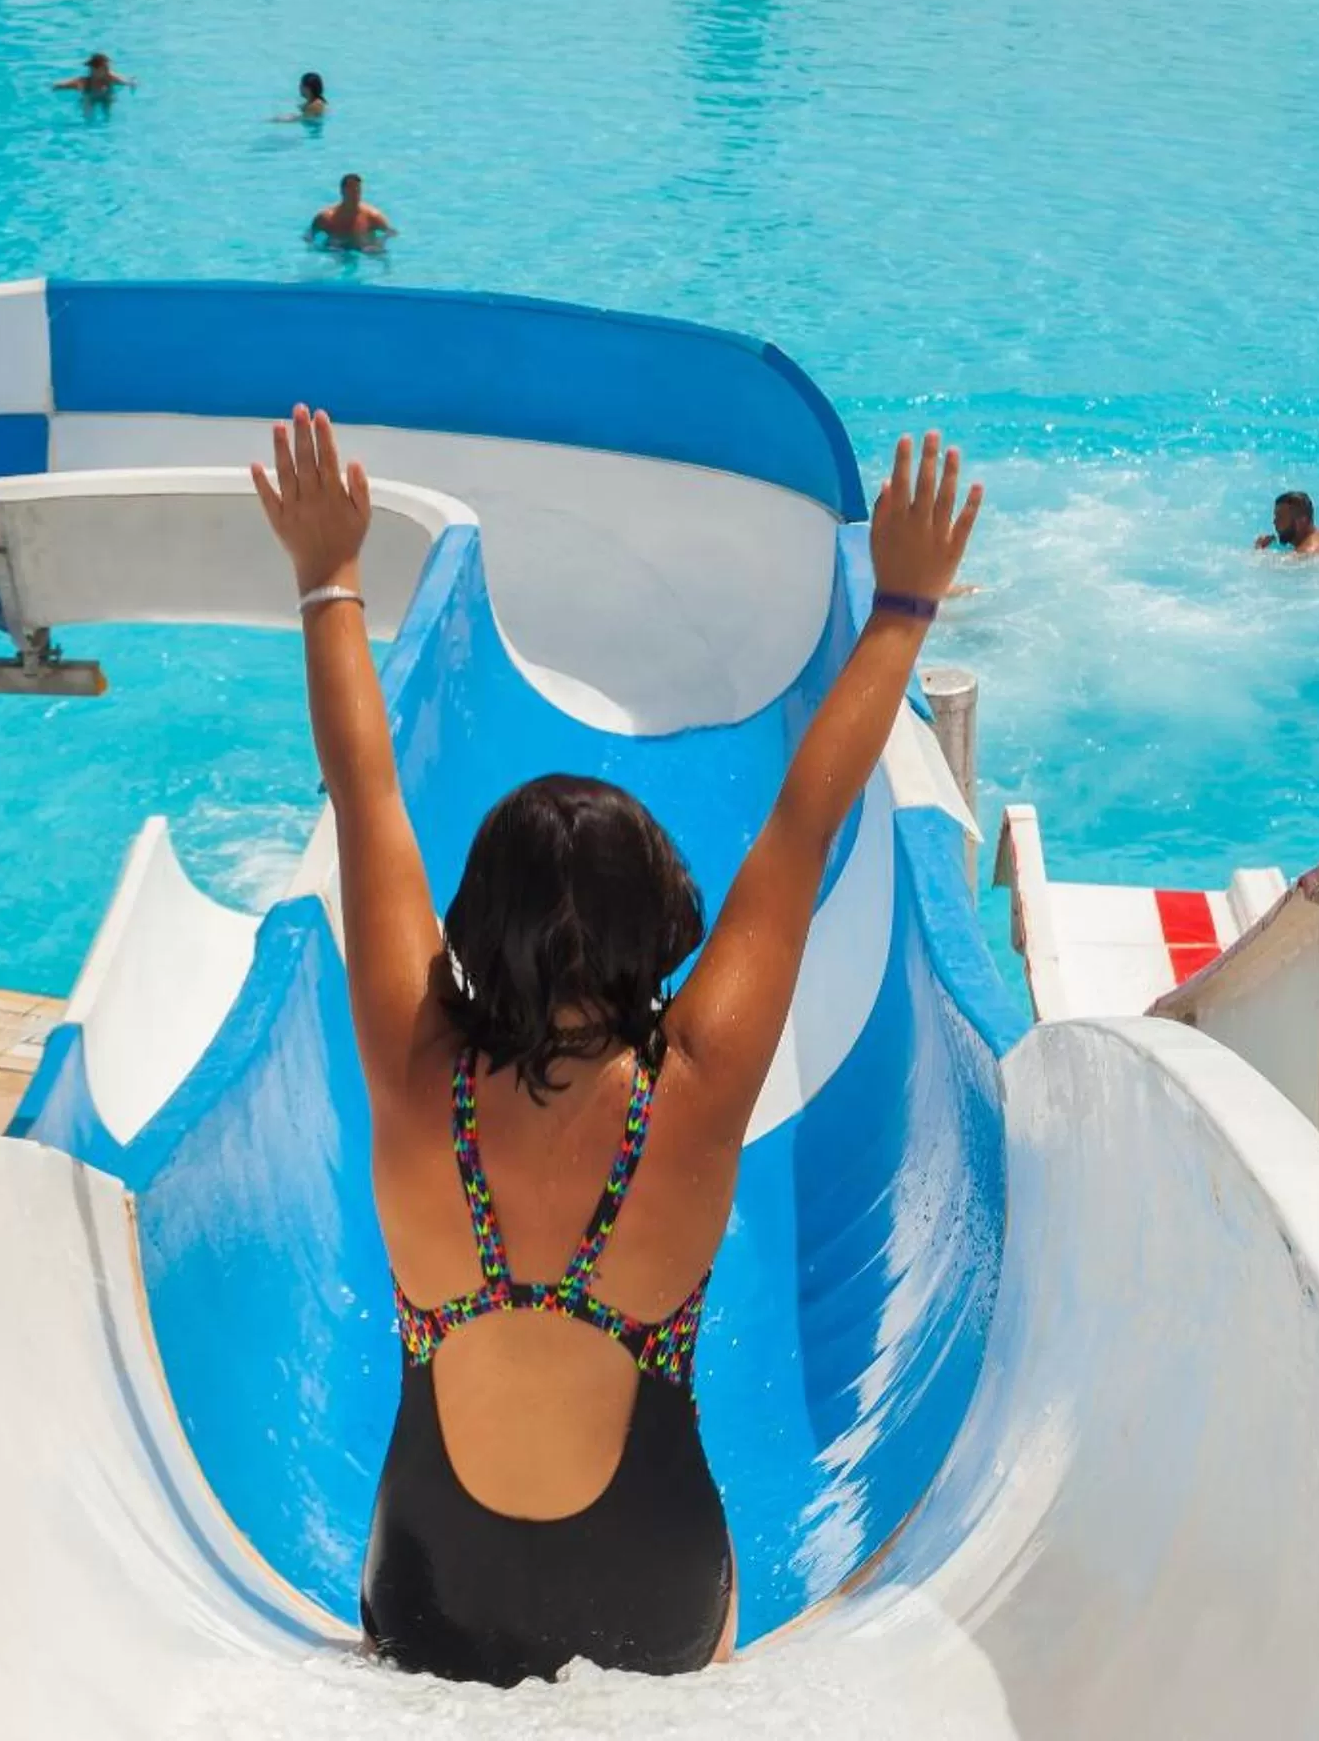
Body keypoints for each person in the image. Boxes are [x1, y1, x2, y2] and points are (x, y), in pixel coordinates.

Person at [250, 407, 982, 1685]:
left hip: (432, 1590)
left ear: (478, 924)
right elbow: (805, 824)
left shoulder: (417, 1080)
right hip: (646, 1588)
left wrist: (328, 574)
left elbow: (364, 794)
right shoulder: (693, 1096)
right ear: (659, 930)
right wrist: (902, 609)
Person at [308, 174, 395, 251]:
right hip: (335, 250)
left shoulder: (372, 216)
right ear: (342, 191)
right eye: (351, 190)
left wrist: (378, 244)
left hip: (363, 250)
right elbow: (309, 237)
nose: (355, 193)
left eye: (357, 190)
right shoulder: (325, 217)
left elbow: (391, 233)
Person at [1255, 489, 1319, 556]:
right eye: (1276, 517)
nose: (1275, 522)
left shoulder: (1305, 553)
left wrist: (1260, 550)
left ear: (1302, 520)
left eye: (1281, 518)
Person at [55, 53, 132, 100]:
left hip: (106, 98)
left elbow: (129, 82)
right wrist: (58, 86)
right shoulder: (83, 82)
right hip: (89, 99)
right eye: (105, 69)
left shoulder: (111, 78)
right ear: (94, 70)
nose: (107, 71)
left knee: (109, 100)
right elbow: (59, 85)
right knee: (87, 101)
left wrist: (132, 82)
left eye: (107, 68)